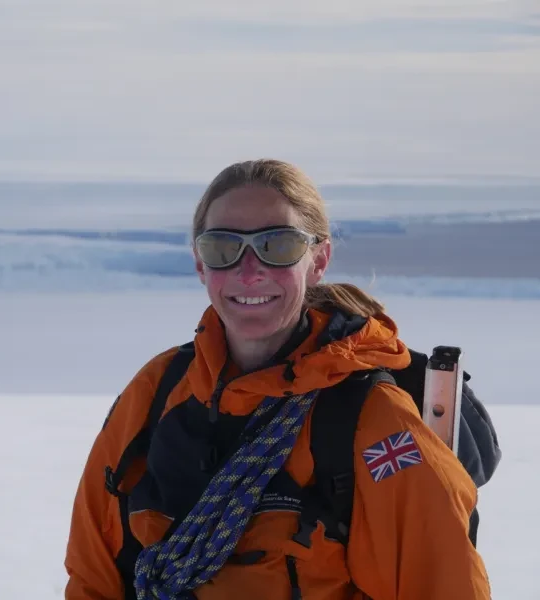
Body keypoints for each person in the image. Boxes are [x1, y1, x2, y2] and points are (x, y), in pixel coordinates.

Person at [64, 159, 493, 599]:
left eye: (279, 245)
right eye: (222, 248)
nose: (249, 271)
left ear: (318, 260)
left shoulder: (371, 418)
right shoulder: (156, 391)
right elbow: (92, 576)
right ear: (200, 264)